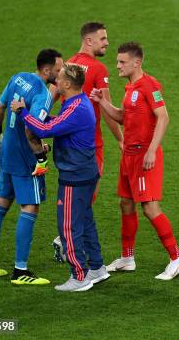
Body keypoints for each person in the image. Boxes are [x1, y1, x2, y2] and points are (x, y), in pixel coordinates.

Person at [91, 41, 179, 280]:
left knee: (150, 208)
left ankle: (176, 258)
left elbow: (163, 117)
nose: (117, 66)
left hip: (145, 156)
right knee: (125, 203)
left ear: (137, 62)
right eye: (117, 61)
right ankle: (127, 257)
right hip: (129, 156)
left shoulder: (149, 85)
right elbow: (124, 117)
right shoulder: (130, 88)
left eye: (122, 62)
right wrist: (102, 102)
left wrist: (152, 151)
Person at [13, 63, 109, 291]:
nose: (56, 78)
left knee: (67, 226)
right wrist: (41, 117)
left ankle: (79, 277)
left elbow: (45, 131)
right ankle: (97, 268)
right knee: (85, 221)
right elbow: (57, 123)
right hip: (85, 173)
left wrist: (23, 112)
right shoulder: (76, 103)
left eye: (60, 76)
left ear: (67, 84)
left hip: (75, 177)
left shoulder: (77, 107)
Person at [0, 49, 62, 285]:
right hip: (26, 159)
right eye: (58, 69)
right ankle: (20, 271)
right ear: (47, 70)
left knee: (1, 205)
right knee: (30, 209)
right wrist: (40, 153)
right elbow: (32, 129)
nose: (61, 72)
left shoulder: (18, 77)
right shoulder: (43, 94)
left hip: (7, 152)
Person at [52, 22, 123, 262]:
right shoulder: (98, 68)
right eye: (103, 38)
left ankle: (68, 241)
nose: (107, 43)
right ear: (89, 40)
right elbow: (108, 110)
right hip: (90, 144)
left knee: (74, 194)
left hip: (66, 144)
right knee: (86, 196)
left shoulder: (69, 64)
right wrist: (122, 141)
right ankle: (67, 243)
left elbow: (52, 97)